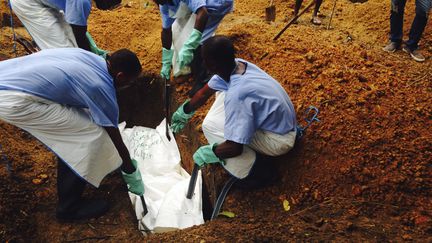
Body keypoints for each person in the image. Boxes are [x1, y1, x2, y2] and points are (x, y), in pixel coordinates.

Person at [0, 48, 145, 220]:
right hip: (14, 99)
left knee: (83, 125)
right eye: (128, 82)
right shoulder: (99, 86)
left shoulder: (93, 59)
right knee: (88, 136)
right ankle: (69, 208)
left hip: (8, 76)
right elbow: (113, 134)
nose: (126, 86)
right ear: (120, 76)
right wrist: (129, 169)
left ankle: (79, 177)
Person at [171, 35, 297, 185]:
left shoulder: (237, 95)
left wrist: (209, 153)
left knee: (214, 129)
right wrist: (184, 111)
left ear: (213, 63)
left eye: (205, 59)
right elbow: (204, 93)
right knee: (221, 93)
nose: (203, 63)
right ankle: (250, 154)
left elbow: (234, 148)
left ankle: (257, 171)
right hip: (280, 123)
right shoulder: (237, 66)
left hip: (278, 140)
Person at [155, 0, 233, 96]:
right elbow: (167, 31)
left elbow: (203, 13)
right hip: (195, 8)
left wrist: (190, 45)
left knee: (197, 41)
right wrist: (166, 61)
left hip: (214, 5)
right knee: (176, 32)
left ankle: (203, 77)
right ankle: (185, 70)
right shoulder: (164, 4)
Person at [10, 0, 106, 56]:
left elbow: (75, 28)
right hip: (29, 4)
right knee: (64, 53)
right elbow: (78, 33)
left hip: (48, 3)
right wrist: (93, 59)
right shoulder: (82, 1)